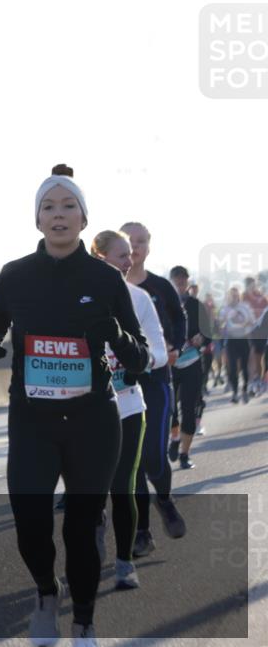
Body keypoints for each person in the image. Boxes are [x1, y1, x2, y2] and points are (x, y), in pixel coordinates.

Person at [0, 164, 149, 647]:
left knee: (80, 525)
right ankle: (46, 593)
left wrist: (113, 336)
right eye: (48, 207)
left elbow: (139, 356)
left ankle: (86, 628)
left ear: (82, 218)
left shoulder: (105, 278)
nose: (59, 215)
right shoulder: (15, 275)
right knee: (30, 519)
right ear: (37, 220)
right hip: (32, 420)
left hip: (93, 419)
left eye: (68, 206)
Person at [89, 230, 167, 590]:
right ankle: (93, 535)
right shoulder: (78, 296)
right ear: (98, 256)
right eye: (121, 255)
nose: (129, 260)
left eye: (130, 255)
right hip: (86, 408)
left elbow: (159, 350)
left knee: (124, 484)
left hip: (130, 404)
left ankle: (124, 561)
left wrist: (138, 357)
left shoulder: (139, 298)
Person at [120, 222, 187, 558]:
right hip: (120, 385)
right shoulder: (104, 288)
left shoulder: (159, 288)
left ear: (149, 246)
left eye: (141, 241)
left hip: (156, 380)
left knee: (152, 458)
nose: (134, 247)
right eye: (128, 242)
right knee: (131, 461)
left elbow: (179, 319)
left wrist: (174, 347)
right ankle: (142, 532)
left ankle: (164, 499)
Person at [167, 266, 211, 470]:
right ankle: (174, 437)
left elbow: (209, 332)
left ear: (187, 282)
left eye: (183, 280)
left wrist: (201, 338)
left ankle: (185, 454)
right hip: (170, 364)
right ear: (171, 281)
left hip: (193, 363)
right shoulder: (163, 303)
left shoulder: (196, 305)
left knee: (189, 407)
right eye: (177, 279)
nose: (180, 283)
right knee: (170, 410)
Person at [219, 287, 255, 403]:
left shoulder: (245, 307)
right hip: (231, 340)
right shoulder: (225, 308)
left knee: (244, 366)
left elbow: (252, 321)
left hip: (243, 339)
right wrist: (224, 322)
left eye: (236, 295)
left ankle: (244, 389)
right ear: (229, 296)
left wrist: (243, 321)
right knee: (232, 367)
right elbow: (220, 323)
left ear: (238, 296)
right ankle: (235, 392)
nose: (234, 297)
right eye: (232, 295)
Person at [242, 277, 267, 396]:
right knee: (252, 354)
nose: (251, 286)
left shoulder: (261, 295)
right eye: (248, 284)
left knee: (259, 356)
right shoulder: (244, 296)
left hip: (261, 329)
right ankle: (252, 382)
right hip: (249, 330)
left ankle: (260, 380)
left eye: (252, 284)